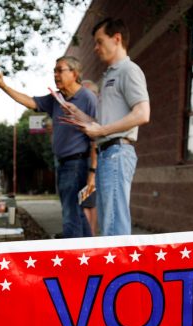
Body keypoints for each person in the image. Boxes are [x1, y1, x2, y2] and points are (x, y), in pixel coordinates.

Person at [61, 18, 150, 236]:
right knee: (108, 224)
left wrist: (101, 131)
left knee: (114, 225)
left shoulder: (128, 70)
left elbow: (142, 113)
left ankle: (123, 270)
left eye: (100, 42)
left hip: (117, 152)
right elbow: (102, 124)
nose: (96, 48)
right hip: (107, 153)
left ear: (117, 39)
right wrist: (79, 114)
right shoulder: (109, 76)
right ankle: (117, 269)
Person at [0, 56, 96, 238]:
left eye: (60, 70)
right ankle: (89, 254)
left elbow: (97, 135)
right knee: (75, 211)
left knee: (71, 214)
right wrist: (4, 86)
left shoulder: (88, 98)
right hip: (62, 164)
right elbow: (30, 101)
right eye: (54, 71)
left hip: (77, 163)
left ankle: (73, 258)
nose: (55, 75)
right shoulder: (56, 98)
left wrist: (92, 172)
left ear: (75, 73)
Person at [80, 79, 99, 236]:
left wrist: (92, 172)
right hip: (84, 164)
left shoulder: (94, 117)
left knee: (87, 205)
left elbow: (95, 144)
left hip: (90, 166)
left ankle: (90, 241)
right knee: (85, 204)